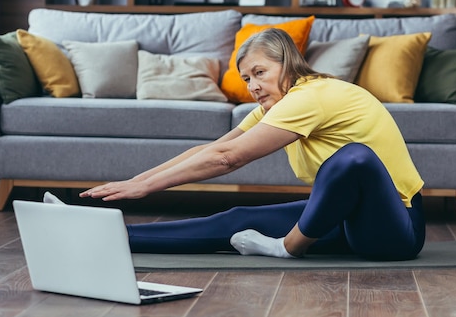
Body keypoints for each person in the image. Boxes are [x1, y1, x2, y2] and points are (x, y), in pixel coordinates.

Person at [80, 28, 425, 260]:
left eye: (260, 73)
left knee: (354, 159)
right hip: (344, 220)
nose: (253, 86)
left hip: (396, 229)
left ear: (287, 63)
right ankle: (103, 236)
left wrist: (148, 189)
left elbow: (228, 159)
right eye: (247, 78)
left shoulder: (313, 96)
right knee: (238, 218)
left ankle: (286, 249)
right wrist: (136, 182)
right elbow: (212, 149)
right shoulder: (277, 105)